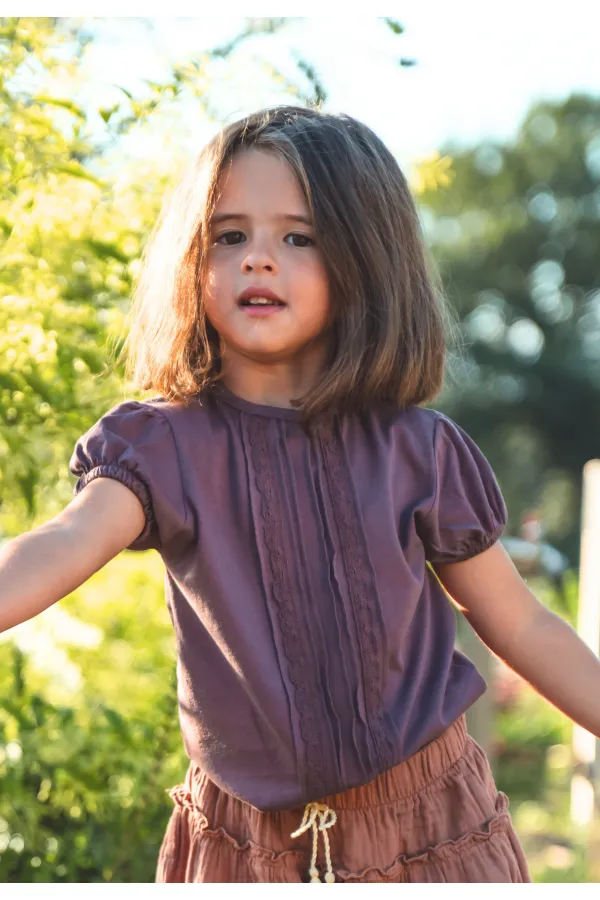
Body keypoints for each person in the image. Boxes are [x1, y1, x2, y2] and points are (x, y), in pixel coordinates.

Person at [2, 105, 599, 884]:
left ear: (364, 259)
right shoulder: (161, 446)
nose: (258, 259)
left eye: (299, 238)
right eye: (229, 236)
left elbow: (519, 621)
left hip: (433, 832)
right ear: (192, 258)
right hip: (244, 849)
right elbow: (64, 541)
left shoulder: (416, 450)